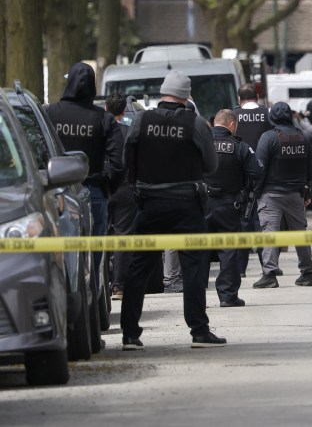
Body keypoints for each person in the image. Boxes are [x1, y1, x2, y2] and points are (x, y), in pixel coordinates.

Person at [121, 70, 226, 350]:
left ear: (163, 92)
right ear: (186, 96)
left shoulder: (142, 119)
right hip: (186, 204)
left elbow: (126, 155)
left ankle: (130, 334)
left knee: (138, 269)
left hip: (149, 203)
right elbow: (211, 165)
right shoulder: (196, 124)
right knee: (193, 268)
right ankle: (199, 331)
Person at [47, 63, 125, 300]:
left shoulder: (49, 113)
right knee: (93, 257)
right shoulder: (105, 119)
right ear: (93, 86)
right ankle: (91, 303)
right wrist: (107, 185)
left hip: (54, 193)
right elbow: (118, 162)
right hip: (93, 192)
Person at [251, 101, 312, 289]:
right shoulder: (303, 137)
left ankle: (270, 274)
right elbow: (310, 166)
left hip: (271, 194)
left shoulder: (268, 137)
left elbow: (259, 168)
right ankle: (307, 273)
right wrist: (308, 190)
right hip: (296, 194)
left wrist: (255, 193)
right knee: (300, 235)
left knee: (270, 235)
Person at [204, 109, 257, 307]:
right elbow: (257, 170)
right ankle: (227, 296)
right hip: (229, 204)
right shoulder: (240, 147)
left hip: (202, 203)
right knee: (228, 250)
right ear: (232, 125)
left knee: (199, 248)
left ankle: (197, 294)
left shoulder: (201, 144)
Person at [234, 83, 273, 278]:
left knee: (242, 222)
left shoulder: (233, 115)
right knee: (261, 220)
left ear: (239, 99)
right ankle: (267, 265)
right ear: (256, 97)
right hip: (263, 175)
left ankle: (240, 269)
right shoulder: (267, 114)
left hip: (238, 176)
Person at [104, 93, 134, 301]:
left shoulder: (100, 131)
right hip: (125, 188)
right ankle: (119, 286)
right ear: (124, 111)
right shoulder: (129, 132)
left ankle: (100, 281)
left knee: (99, 235)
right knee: (123, 237)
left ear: (106, 108)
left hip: (102, 188)